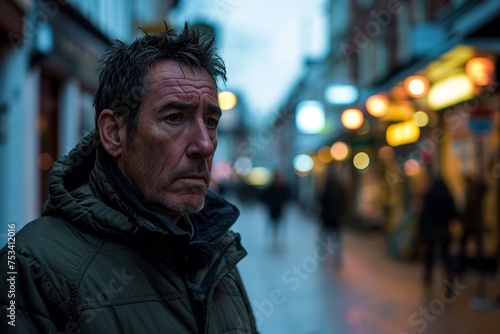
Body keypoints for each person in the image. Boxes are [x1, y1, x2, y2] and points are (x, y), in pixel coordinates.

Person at [0, 24, 257, 333]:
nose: (204, 145)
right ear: (113, 133)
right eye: (174, 118)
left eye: (211, 122)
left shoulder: (217, 253)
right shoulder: (32, 265)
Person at [417, 176, 459, 288]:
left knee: (430, 254)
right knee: (446, 256)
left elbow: (424, 215)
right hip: (444, 230)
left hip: (431, 231)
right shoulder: (447, 196)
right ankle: (449, 279)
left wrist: (421, 229)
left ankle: (428, 275)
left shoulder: (429, 195)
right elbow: (454, 213)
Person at [318, 167, 347, 267]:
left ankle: (325, 253)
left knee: (326, 237)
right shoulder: (339, 188)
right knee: (335, 239)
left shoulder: (327, 188)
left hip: (329, 217)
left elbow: (321, 201)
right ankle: (336, 257)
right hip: (334, 217)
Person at [261, 171, 290, 249]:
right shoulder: (271, 187)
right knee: (272, 224)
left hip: (279, 209)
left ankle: (277, 240)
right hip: (272, 209)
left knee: (278, 224)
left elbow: (286, 197)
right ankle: (273, 240)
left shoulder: (283, 187)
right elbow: (265, 197)